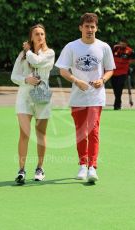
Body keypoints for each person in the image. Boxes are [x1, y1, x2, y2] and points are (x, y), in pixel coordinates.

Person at [55, 13, 115, 182]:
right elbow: (63, 70)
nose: (90, 30)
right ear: (80, 28)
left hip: (96, 97)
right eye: (87, 26)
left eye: (93, 27)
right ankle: (82, 165)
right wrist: (76, 80)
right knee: (81, 133)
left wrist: (102, 80)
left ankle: (92, 168)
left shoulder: (104, 47)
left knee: (93, 131)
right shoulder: (71, 47)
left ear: (96, 28)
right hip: (78, 97)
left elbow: (110, 69)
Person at [11, 24, 55, 184]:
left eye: (42, 34)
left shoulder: (49, 53)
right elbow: (14, 76)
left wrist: (28, 50)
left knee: (41, 134)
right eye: (36, 34)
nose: (40, 36)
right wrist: (25, 79)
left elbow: (37, 62)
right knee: (24, 133)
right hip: (24, 97)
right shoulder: (22, 55)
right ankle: (21, 170)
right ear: (31, 37)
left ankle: (40, 168)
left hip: (42, 97)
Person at [111, 39, 135, 110]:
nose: (122, 44)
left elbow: (133, 59)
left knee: (119, 88)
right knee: (115, 88)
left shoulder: (130, 51)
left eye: (124, 43)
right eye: (121, 43)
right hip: (113, 72)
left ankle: (117, 105)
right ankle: (118, 102)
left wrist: (127, 64)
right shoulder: (115, 48)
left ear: (126, 44)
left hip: (123, 72)